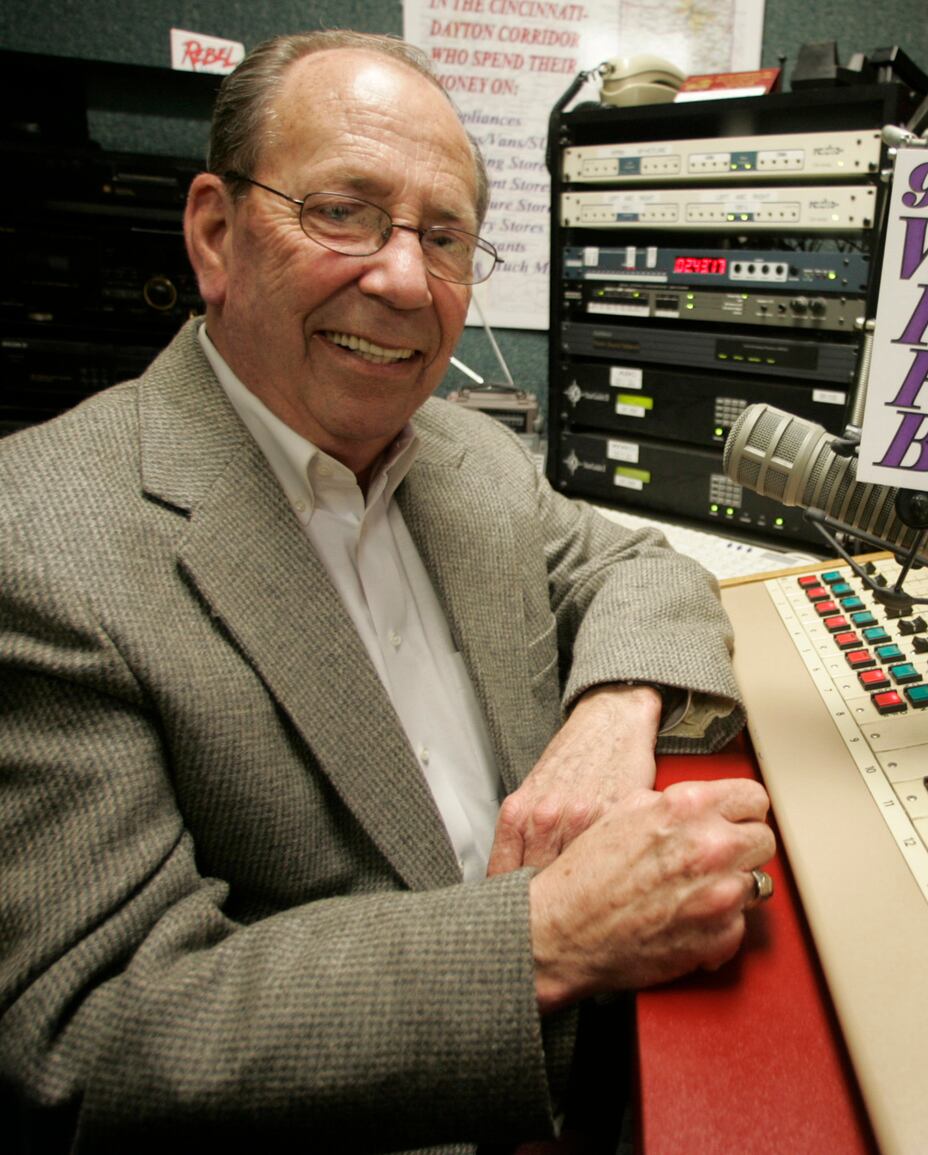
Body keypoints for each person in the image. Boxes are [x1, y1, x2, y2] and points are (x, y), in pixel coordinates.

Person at [0, 30, 775, 1153]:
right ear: (215, 235)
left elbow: (639, 569)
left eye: (444, 237)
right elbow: (96, 1035)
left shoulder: (467, 454)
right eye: (344, 212)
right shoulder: (38, 542)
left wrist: (614, 713)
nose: (405, 279)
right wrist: (546, 936)